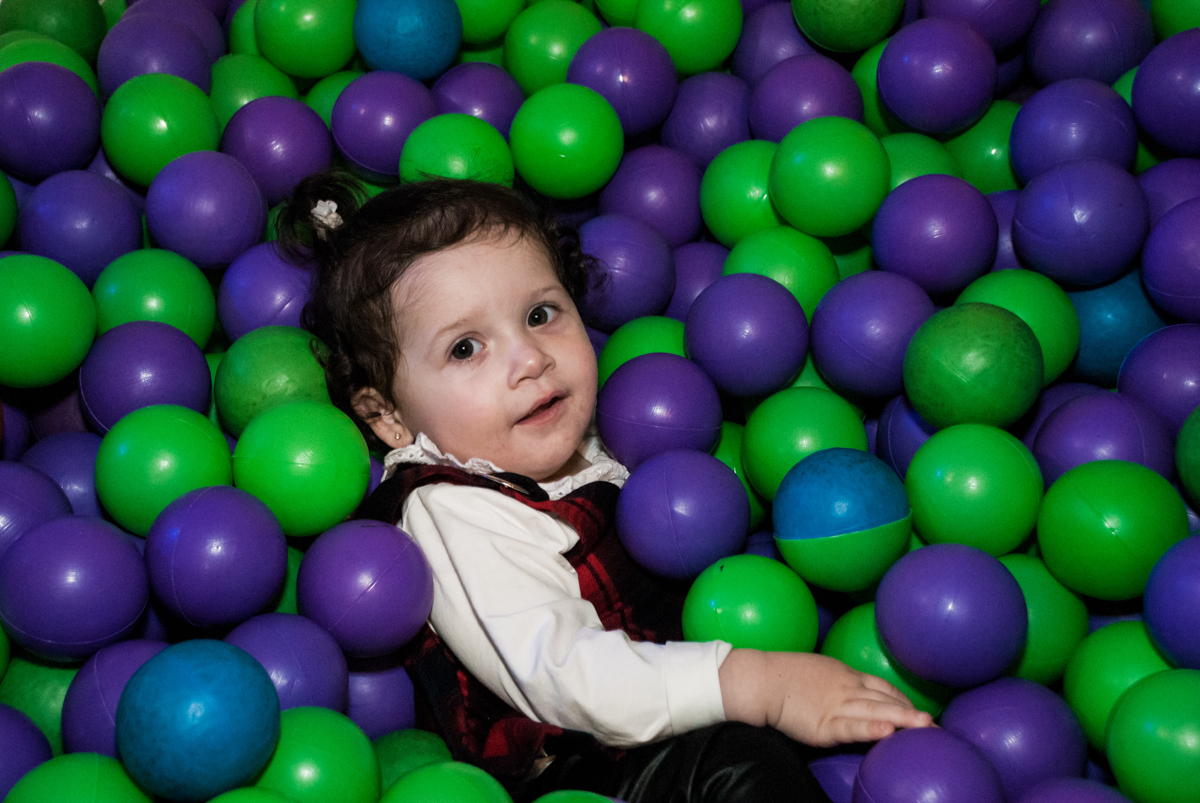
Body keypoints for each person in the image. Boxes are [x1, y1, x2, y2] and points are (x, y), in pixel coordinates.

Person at [276, 173, 933, 802]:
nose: (529, 358)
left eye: (540, 313)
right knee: (737, 764)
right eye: (466, 349)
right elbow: (561, 673)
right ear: (387, 415)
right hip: (587, 772)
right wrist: (763, 683)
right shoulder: (450, 507)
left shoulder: (593, 445)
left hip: (680, 708)